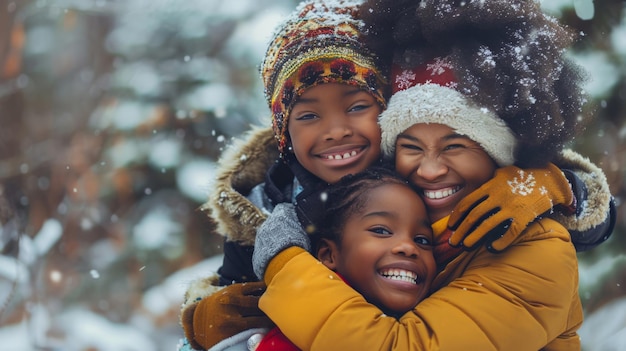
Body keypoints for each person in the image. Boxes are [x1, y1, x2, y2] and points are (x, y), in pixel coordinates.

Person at [179, 0, 615, 349]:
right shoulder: (265, 202)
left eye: (356, 106)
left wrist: (559, 185)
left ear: (384, 111)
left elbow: (544, 172)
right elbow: (232, 291)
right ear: (283, 132)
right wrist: (201, 318)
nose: (335, 132)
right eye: (308, 114)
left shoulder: (418, 176)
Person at [208, 167, 437, 350]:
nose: (409, 247)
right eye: (381, 231)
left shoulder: (437, 315)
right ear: (329, 255)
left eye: (423, 240)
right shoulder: (294, 333)